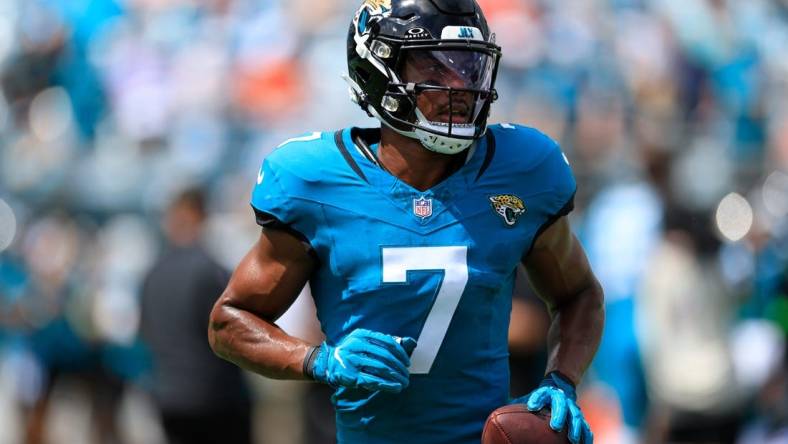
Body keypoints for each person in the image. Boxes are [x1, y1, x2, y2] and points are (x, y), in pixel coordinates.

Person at [209, 1, 604, 443]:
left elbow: (580, 294)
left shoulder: (522, 168)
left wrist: (562, 379)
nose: (459, 84)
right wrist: (318, 360)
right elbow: (230, 320)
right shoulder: (315, 180)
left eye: (469, 67)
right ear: (378, 71)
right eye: (434, 69)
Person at [140, 188, 252, 444]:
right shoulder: (210, 270)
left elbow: (144, 331)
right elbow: (230, 334)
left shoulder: (153, 272)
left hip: (167, 394)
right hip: (214, 398)